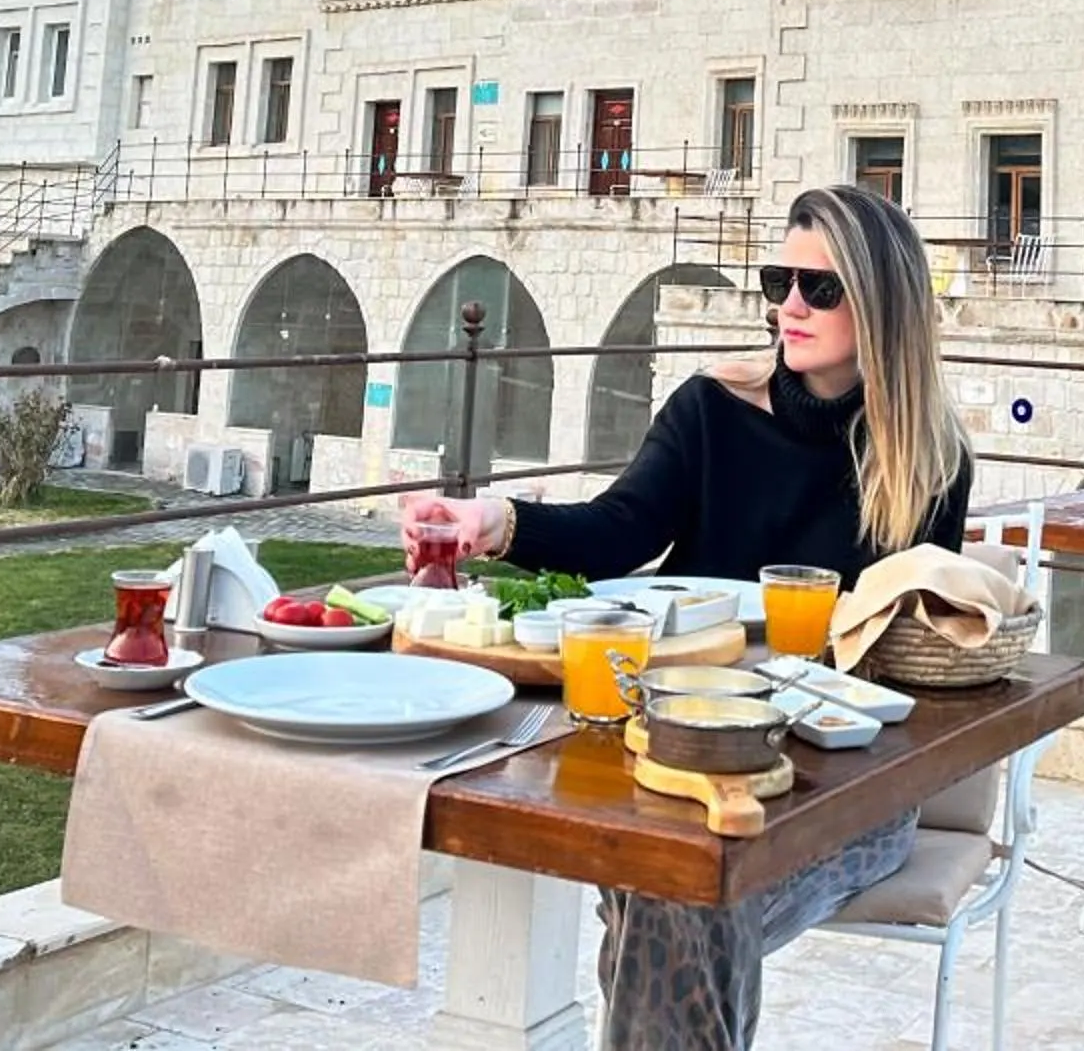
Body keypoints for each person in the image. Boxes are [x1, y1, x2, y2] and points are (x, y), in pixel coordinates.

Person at [400, 183, 973, 1051]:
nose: (788, 305)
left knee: (678, 890)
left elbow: (913, 649)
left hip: (843, 781)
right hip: (671, 751)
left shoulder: (927, 458)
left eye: (820, 289)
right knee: (681, 885)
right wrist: (499, 522)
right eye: (779, 280)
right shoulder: (711, 409)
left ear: (881, 304)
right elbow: (619, 528)